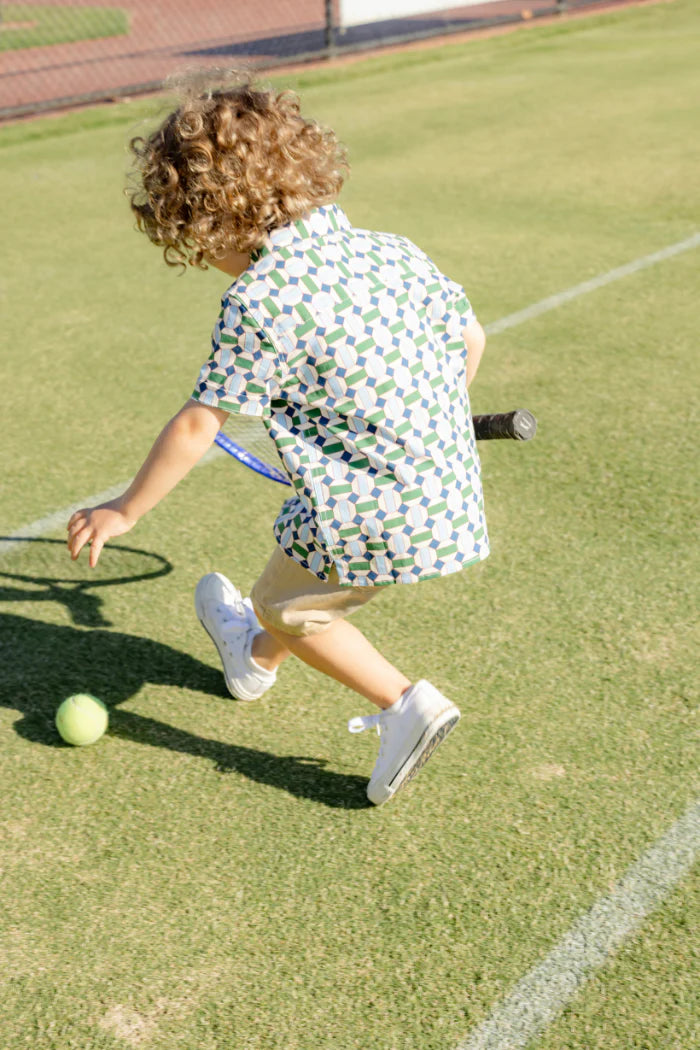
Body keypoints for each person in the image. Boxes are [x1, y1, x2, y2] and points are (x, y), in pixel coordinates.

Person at [67, 73, 489, 806]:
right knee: (297, 571)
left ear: (217, 220)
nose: (206, 261)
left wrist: (123, 511)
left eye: (199, 243)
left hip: (371, 505)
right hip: (444, 483)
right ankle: (252, 661)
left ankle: (405, 704)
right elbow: (469, 337)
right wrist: (438, 415)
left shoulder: (259, 298)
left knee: (295, 608)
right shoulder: (392, 248)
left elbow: (201, 422)